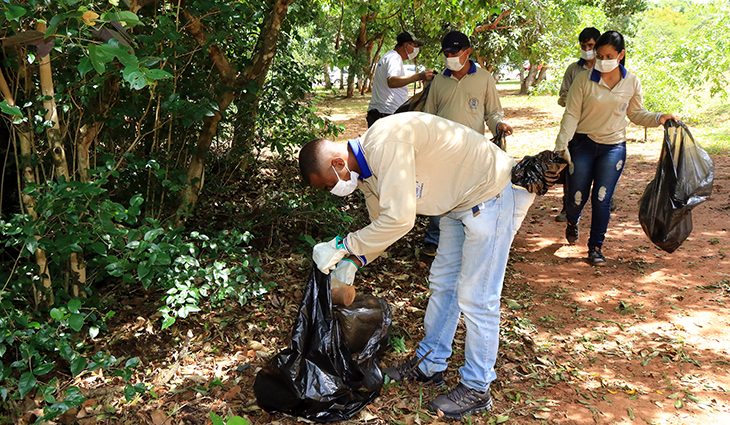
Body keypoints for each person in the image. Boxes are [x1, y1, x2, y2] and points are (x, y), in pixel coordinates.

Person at [300, 112, 535, 419]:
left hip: (489, 191)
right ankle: (430, 363)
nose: (334, 190)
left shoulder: (386, 142)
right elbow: (383, 227)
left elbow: (399, 218)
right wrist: (355, 261)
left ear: (336, 163)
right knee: (443, 284)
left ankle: (478, 387)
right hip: (455, 204)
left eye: (330, 184)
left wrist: (343, 245)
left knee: (477, 297)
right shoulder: (367, 178)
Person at [554, 30, 676, 265]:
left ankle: (596, 247)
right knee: (576, 196)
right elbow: (571, 115)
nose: (602, 60)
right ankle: (572, 220)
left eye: (608, 55)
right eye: (599, 55)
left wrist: (660, 117)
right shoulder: (583, 79)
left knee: (602, 198)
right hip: (583, 144)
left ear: (621, 55)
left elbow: (636, 113)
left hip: (613, 147)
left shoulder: (632, 81)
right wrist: (561, 146)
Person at [419, 30, 513, 256]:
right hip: (442, 148)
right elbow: (429, 115)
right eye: (446, 53)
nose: (449, 56)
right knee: (439, 191)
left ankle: (467, 237)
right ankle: (433, 239)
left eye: (454, 52)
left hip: (472, 148)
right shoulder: (439, 81)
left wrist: (499, 125)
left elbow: (492, 112)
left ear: (467, 52)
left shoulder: (484, 78)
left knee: (468, 193)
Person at [555, 27, 601, 223]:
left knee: (600, 166)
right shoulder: (574, 70)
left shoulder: (607, 69)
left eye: (590, 45)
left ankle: (604, 198)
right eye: (583, 46)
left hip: (599, 128)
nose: (587, 49)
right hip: (575, 129)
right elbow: (562, 96)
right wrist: (574, 101)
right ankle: (568, 207)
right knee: (570, 168)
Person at [367, 31, 434, 128]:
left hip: (382, 112)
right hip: (386, 114)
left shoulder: (389, 56)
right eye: (415, 46)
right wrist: (419, 76)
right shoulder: (394, 58)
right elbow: (392, 81)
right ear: (406, 45)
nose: (416, 49)